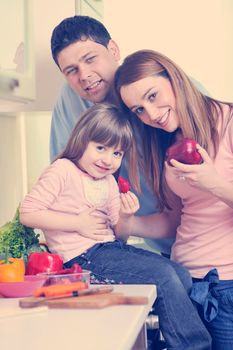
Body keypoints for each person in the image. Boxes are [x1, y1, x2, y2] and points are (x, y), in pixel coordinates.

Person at [20, 103, 211, 350]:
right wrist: (77, 223)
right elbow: (28, 213)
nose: (108, 160)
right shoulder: (63, 170)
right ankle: (196, 346)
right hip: (81, 258)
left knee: (182, 275)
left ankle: (166, 337)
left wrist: (126, 217)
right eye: (100, 148)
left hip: (110, 250)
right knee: (164, 277)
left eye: (117, 154)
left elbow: (119, 236)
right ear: (82, 140)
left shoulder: (109, 182)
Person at [114, 49, 233, 350]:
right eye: (138, 110)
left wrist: (214, 185)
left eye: (152, 96)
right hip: (182, 284)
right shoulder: (167, 145)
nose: (151, 115)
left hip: (226, 286)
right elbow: (174, 221)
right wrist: (126, 223)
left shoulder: (229, 120)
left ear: (174, 78)